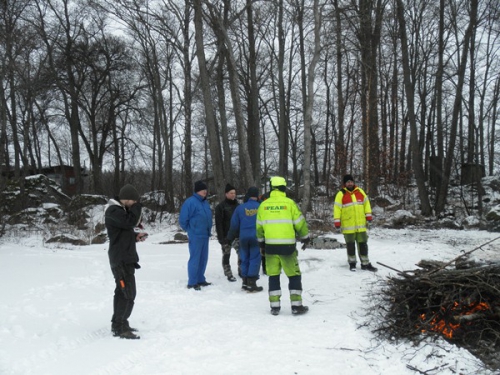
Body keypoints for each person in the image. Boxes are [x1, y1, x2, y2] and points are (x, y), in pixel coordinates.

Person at [256, 176, 310, 316]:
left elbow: (259, 227)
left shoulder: (264, 205)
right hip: (287, 247)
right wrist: (305, 237)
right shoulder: (289, 203)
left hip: (270, 247)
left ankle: (275, 307)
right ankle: (296, 306)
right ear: (284, 187)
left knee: (273, 275)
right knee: (294, 275)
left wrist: (261, 243)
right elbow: (300, 222)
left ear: (271, 187)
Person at [105, 184, 148, 339]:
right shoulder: (113, 211)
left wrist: (134, 238)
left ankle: (121, 322)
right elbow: (131, 222)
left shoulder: (120, 211)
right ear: (128, 199)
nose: (134, 204)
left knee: (124, 292)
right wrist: (138, 207)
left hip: (125, 258)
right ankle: (119, 327)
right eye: (133, 201)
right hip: (120, 259)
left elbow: (122, 233)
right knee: (126, 293)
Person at [333, 174, 377, 272]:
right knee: (350, 245)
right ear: (345, 184)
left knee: (363, 245)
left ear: (353, 182)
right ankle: (352, 264)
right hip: (348, 226)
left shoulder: (360, 192)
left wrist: (369, 216)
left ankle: (365, 263)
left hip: (361, 226)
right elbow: (337, 209)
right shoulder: (341, 194)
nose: (350, 183)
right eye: (348, 182)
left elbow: (366, 205)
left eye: (351, 181)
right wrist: (337, 222)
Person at [227, 186, 263, 292]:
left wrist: (229, 237)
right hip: (256, 237)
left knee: (244, 258)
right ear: (257, 196)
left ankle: (245, 281)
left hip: (243, 237)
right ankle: (252, 282)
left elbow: (234, 225)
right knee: (255, 258)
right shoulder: (261, 207)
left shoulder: (240, 208)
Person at [179, 180, 213, 290]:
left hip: (205, 234)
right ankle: (192, 282)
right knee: (195, 258)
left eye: (206, 190)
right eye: (203, 190)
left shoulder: (205, 202)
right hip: (195, 235)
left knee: (203, 258)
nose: (205, 192)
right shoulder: (190, 202)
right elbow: (183, 219)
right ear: (197, 191)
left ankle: (200, 279)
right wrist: (190, 230)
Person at [215, 183, 240, 282]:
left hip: (237, 235)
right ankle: (228, 273)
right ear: (226, 194)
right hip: (226, 235)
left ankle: (241, 271)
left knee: (241, 254)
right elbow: (218, 223)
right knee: (226, 255)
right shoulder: (220, 207)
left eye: (234, 193)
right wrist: (221, 237)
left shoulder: (239, 206)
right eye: (231, 193)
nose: (233, 195)